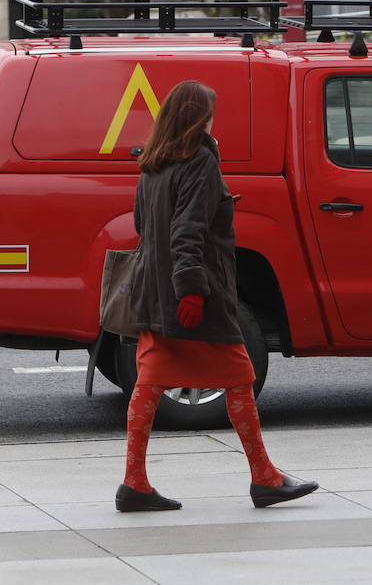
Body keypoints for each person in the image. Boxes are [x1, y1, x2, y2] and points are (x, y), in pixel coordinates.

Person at [116, 80, 318, 512]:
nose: (213, 119)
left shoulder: (152, 164)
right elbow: (186, 233)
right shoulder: (199, 163)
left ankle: (134, 482)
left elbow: (141, 224)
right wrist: (191, 290)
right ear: (195, 117)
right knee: (239, 377)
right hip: (195, 293)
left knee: (148, 382)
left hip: (153, 293)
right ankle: (264, 478)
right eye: (209, 112)